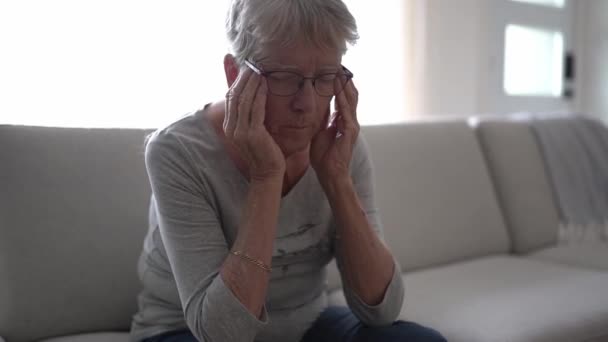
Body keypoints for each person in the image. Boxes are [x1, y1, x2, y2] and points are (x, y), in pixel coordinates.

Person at [130, 0, 447, 341]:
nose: (307, 105)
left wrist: (337, 178)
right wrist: (267, 177)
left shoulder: (339, 146)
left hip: (305, 326)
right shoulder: (178, 151)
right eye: (284, 77)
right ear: (235, 75)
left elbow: (381, 311)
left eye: (326, 77)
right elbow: (222, 333)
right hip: (186, 331)